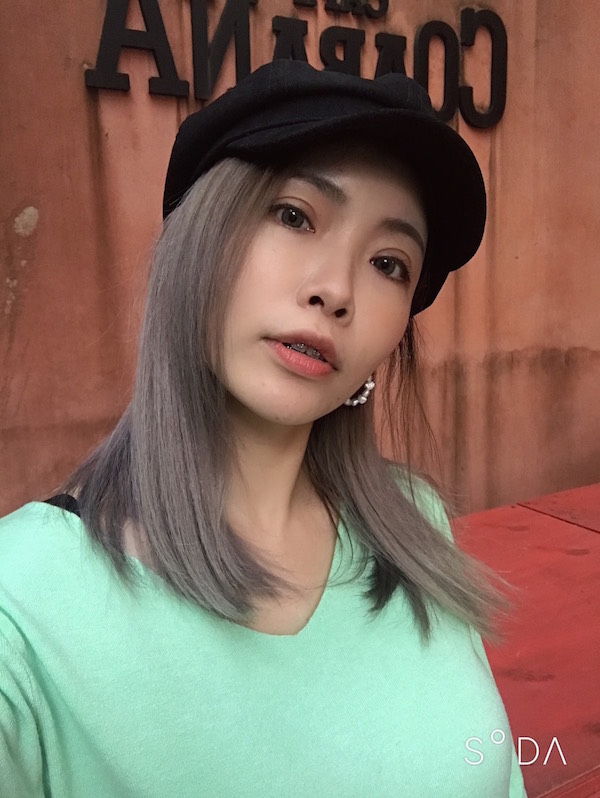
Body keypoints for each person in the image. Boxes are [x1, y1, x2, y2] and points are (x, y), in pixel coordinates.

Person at [0, 60, 527, 796]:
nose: (336, 290)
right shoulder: (22, 605)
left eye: (388, 263)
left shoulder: (417, 524)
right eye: (294, 216)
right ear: (199, 238)